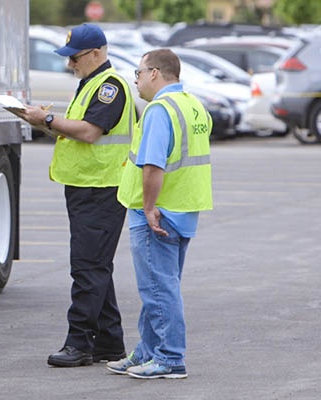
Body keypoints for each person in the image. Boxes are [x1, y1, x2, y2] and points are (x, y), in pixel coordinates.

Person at [19, 23, 136, 367]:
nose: (70, 64)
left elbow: (88, 131)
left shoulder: (109, 87)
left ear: (97, 53)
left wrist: (50, 118)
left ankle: (79, 343)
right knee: (96, 266)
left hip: (101, 188)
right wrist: (41, 120)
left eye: (75, 58)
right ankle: (110, 342)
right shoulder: (90, 84)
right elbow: (74, 129)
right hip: (88, 187)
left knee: (87, 267)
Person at [107, 49, 213, 379]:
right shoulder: (194, 105)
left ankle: (169, 357)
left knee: (158, 288)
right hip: (184, 207)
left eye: (139, 73)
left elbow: (153, 165)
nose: (135, 79)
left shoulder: (159, 110)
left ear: (155, 73)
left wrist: (149, 208)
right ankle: (148, 351)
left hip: (157, 211)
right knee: (160, 285)